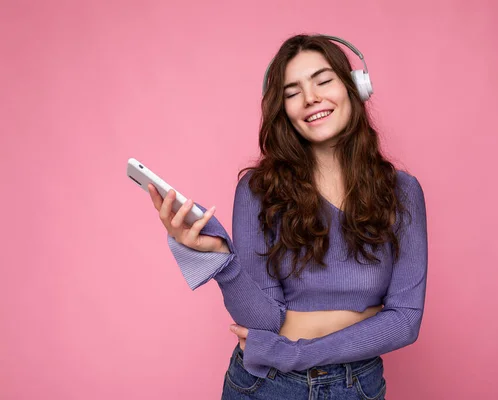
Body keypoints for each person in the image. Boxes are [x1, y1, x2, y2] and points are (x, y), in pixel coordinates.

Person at [148, 34, 428, 400]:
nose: (311, 97)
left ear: (354, 87)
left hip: (356, 388)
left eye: (323, 81)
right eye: (293, 91)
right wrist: (220, 261)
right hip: (266, 386)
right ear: (284, 109)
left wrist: (294, 350)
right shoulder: (257, 190)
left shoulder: (402, 192)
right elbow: (265, 322)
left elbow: (405, 322)